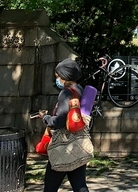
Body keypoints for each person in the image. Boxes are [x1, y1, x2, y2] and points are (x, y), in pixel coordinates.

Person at [39, 59, 91, 192]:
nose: (57, 79)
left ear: (65, 76)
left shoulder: (66, 93)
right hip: (78, 145)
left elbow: (59, 121)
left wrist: (45, 118)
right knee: (80, 186)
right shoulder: (80, 90)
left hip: (63, 146)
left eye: (58, 76)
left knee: (50, 187)